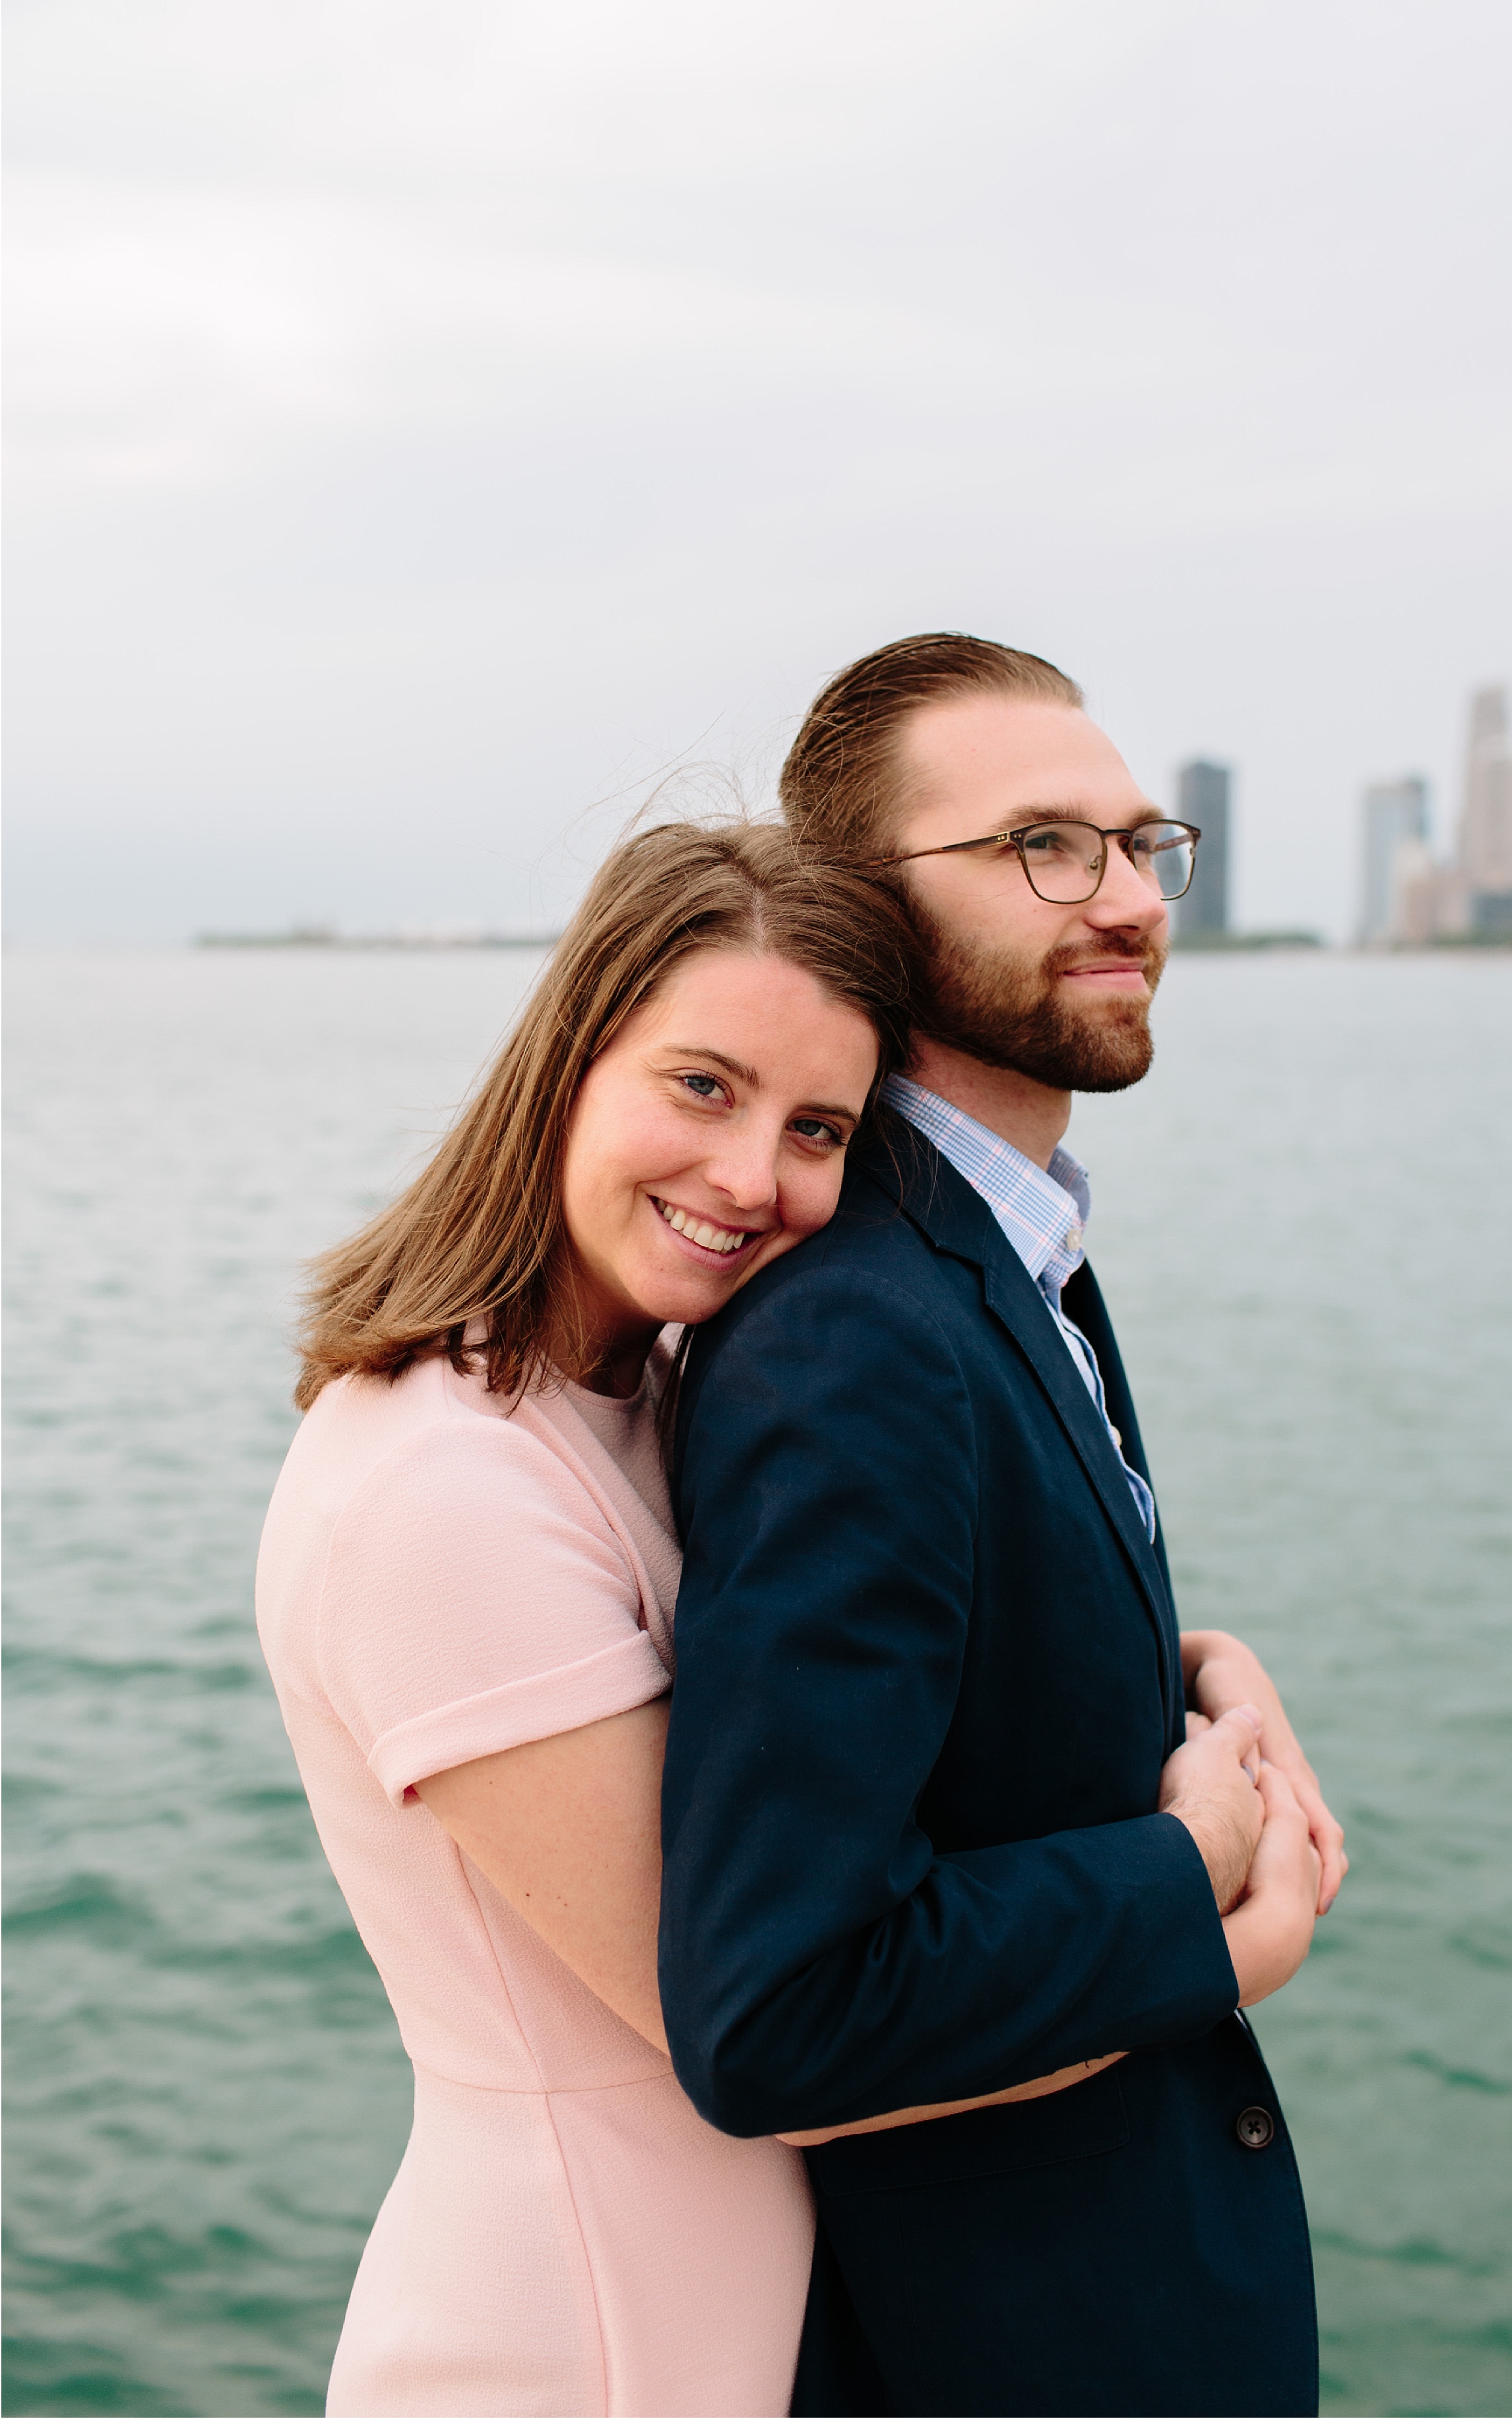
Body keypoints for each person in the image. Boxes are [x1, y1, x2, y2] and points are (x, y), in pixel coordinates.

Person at [657, 634, 1349, 2419]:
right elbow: (780, 2003)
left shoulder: (1010, 1248)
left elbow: (976, 1668)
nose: (1123, 897)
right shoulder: (852, 1332)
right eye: (1043, 846)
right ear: (862, 911)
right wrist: (1190, 1872)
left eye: (1140, 844)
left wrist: (1188, 1671)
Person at [255, 823, 924, 2418]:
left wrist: (1197, 1667)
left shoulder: (640, 1392)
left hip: (699, 2318)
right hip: (574, 2347)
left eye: (817, 1127)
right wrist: (1205, 1924)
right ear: (570, 1060)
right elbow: (780, 2030)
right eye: (702, 1085)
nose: (753, 1175)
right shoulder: (440, 1485)